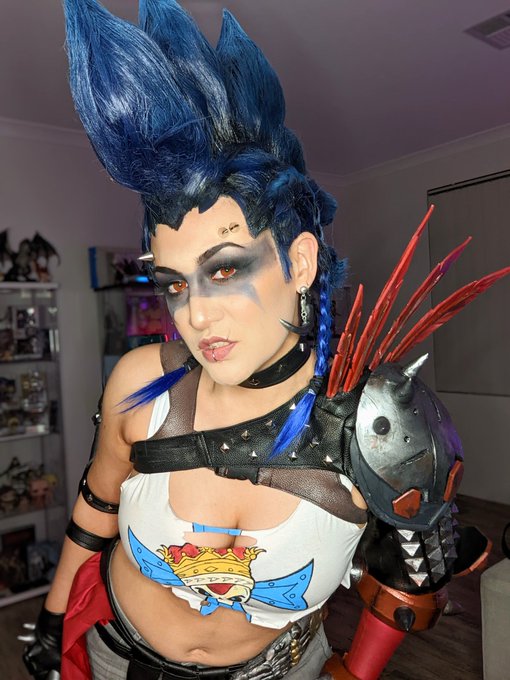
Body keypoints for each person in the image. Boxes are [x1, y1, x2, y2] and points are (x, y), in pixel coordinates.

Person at [20, 1, 506, 679]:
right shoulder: (141, 383)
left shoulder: (377, 425)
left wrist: (353, 674)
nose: (195, 314)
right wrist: (52, 621)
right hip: (116, 657)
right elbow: (97, 506)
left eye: (224, 270)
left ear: (300, 262)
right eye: (175, 283)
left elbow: (410, 583)